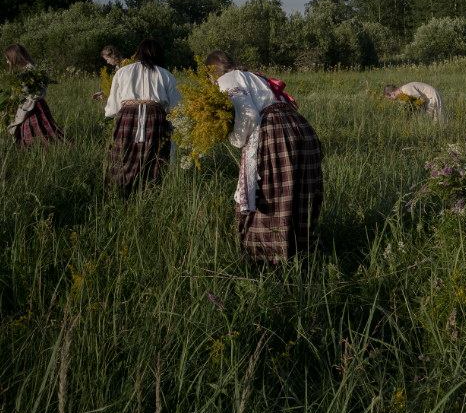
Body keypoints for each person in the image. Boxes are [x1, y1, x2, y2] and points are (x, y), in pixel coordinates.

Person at [206, 50, 324, 264]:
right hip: (301, 127)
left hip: (275, 131)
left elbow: (249, 114)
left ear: (211, 74)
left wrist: (237, 139)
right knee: (298, 190)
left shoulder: (226, 79)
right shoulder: (255, 76)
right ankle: (300, 252)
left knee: (271, 192)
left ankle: (268, 258)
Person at [104, 38, 180, 193]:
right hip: (156, 116)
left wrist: (115, 112)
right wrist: (174, 123)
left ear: (138, 53)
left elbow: (113, 108)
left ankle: (119, 190)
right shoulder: (165, 74)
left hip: (128, 115)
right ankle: (150, 191)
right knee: (154, 155)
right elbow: (176, 107)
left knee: (124, 155)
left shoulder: (122, 72)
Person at [4, 44, 67, 148]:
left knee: (41, 132)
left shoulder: (30, 70)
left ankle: (46, 150)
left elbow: (37, 92)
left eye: (8, 59)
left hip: (34, 107)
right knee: (29, 132)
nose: (7, 62)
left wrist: (20, 92)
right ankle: (35, 150)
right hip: (27, 106)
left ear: (15, 57)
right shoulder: (21, 71)